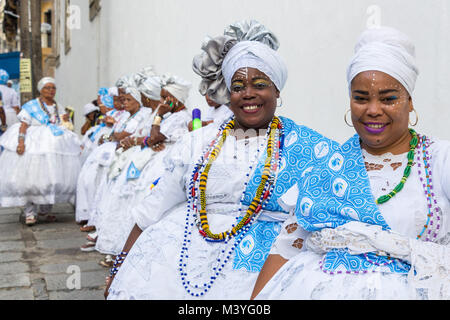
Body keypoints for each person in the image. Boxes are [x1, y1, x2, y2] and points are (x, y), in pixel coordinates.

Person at [104, 20, 338, 300]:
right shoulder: (198, 142)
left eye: (260, 84)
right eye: (238, 86)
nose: (248, 93)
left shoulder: (310, 146)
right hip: (176, 266)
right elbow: (153, 208)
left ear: (277, 90)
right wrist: (119, 267)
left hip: (263, 270)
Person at [253, 26, 450, 300]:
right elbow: (286, 247)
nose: (372, 110)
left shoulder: (440, 160)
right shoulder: (327, 166)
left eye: (388, 98)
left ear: (410, 102)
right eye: (361, 98)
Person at [93, 73, 191, 267]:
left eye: (165, 98)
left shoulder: (182, 117)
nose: (161, 101)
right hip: (152, 159)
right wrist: (150, 136)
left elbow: (155, 137)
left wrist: (158, 118)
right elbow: (153, 138)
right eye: (161, 97)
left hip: (164, 163)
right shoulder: (171, 115)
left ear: (175, 99)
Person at [0, 77, 81, 226]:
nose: (51, 91)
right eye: (47, 88)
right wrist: (21, 142)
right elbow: (23, 125)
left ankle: (46, 210)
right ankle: (30, 212)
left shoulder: (58, 106)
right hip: (34, 145)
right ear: (40, 90)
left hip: (53, 146)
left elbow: (65, 123)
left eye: (53, 88)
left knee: (51, 179)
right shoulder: (31, 106)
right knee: (30, 180)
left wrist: (66, 121)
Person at [76, 84, 147, 232]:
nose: (124, 103)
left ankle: (100, 223)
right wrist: (110, 136)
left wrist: (110, 136)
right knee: (90, 180)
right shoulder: (126, 115)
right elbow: (114, 134)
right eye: (123, 100)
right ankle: (92, 216)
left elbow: (121, 135)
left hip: (124, 153)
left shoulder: (142, 115)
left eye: (128, 100)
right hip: (109, 150)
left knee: (105, 185)